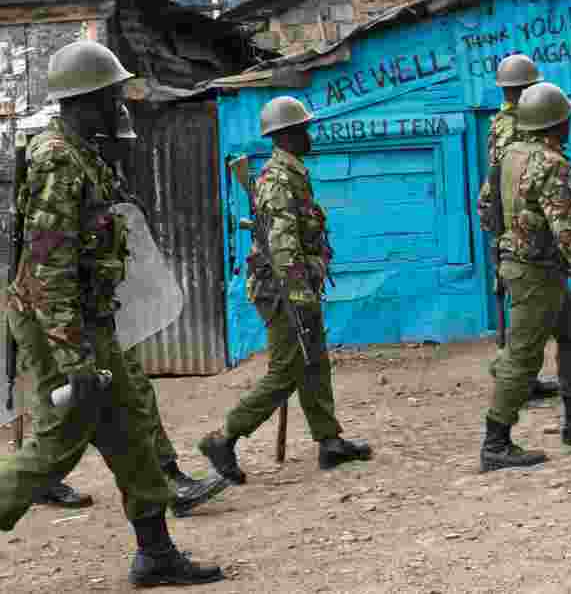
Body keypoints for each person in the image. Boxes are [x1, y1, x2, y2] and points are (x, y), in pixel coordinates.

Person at [0, 40, 222, 586]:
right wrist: (72, 357)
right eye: (111, 95)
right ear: (84, 101)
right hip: (60, 324)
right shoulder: (57, 158)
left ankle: (157, 554)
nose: (119, 105)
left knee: (132, 432)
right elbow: (49, 267)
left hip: (87, 321)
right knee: (57, 443)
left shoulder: (84, 154)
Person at [28, 104, 230, 517]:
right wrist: (70, 343)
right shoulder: (61, 164)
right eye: (121, 144)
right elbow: (50, 264)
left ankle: (160, 510)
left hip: (95, 309)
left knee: (124, 404)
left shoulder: (100, 171)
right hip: (57, 312)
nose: (127, 153)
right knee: (71, 420)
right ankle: (43, 482)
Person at [199, 96, 372, 483]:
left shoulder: (293, 173)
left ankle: (329, 440)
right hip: (282, 289)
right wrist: (299, 294)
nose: (309, 134)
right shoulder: (277, 180)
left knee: (314, 359)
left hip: (293, 284)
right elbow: (283, 247)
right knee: (287, 369)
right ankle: (224, 438)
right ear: (287, 135)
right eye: (303, 128)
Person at [480, 81, 571, 473]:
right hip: (535, 272)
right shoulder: (552, 164)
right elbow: (567, 232)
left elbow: (485, 205)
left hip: (532, 266)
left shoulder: (509, 155)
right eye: (567, 120)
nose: (570, 125)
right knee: (522, 356)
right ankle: (495, 442)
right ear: (556, 125)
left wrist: (506, 242)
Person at [477, 54, 559, 400]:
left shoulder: (499, 122)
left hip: (502, 215)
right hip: (517, 219)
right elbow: (515, 176)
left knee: (519, 303)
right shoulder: (516, 126)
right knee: (524, 305)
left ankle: (520, 373)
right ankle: (512, 373)